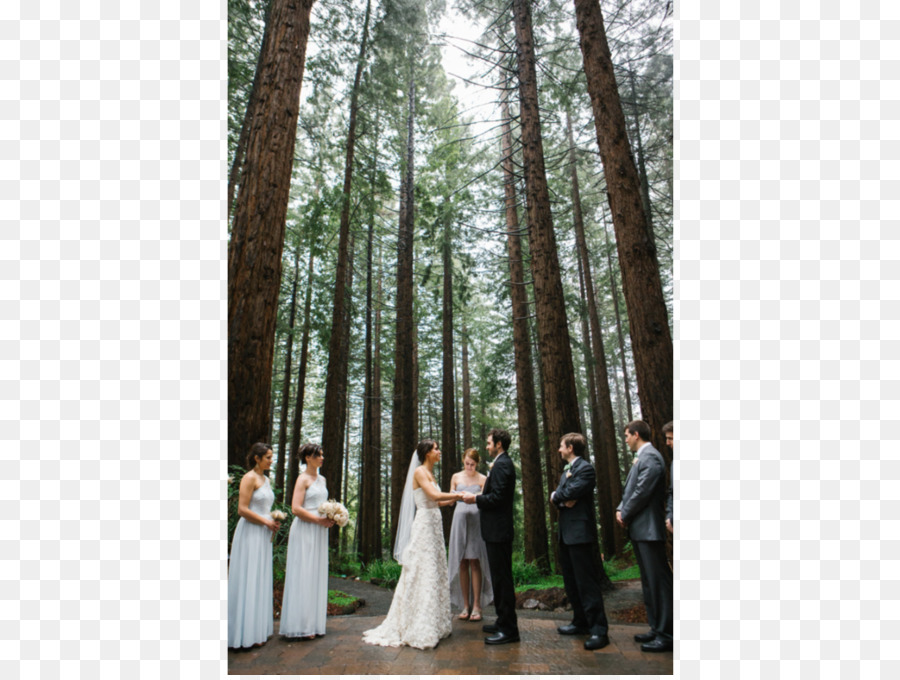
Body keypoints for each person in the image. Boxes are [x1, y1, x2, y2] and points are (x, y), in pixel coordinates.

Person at [362, 439, 464, 649]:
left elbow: (437, 501)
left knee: (435, 572)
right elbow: (434, 495)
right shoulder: (419, 472)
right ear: (427, 453)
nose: (439, 451)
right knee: (422, 572)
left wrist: (455, 500)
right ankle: (418, 625)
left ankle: (435, 624)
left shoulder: (430, 473)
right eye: (436, 448)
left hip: (434, 525)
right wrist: (458, 494)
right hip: (424, 526)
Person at [550, 433, 611, 651]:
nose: (559, 450)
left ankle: (598, 630)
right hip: (566, 533)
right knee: (572, 581)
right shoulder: (567, 471)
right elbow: (562, 498)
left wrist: (560, 495)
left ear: (571, 448)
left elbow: (571, 492)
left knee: (586, 582)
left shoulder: (585, 468)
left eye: (561, 446)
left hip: (580, 533)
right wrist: (562, 497)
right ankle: (580, 622)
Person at [617, 420, 673, 653]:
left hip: (649, 529)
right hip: (641, 529)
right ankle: (656, 628)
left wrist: (625, 512)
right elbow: (632, 490)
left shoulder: (650, 456)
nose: (626, 439)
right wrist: (621, 507)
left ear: (637, 434)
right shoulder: (644, 456)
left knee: (658, 583)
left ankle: (667, 633)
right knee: (649, 583)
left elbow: (642, 490)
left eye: (627, 435)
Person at [461, 428, 519, 645]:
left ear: (498, 444)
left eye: (489, 443)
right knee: (498, 578)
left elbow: (498, 498)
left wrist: (474, 499)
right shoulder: (500, 463)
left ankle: (509, 630)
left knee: (503, 580)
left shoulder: (503, 464)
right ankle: (503, 621)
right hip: (494, 530)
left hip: (499, 531)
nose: (487, 446)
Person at [228, 443, 281, 648]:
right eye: (267, 457)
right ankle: (243, 633)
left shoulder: (266, 479)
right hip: (250, 531)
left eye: (271, 456)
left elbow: (265, 506)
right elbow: (242, 509)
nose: (271, 460)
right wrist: (265, 521)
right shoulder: (249, 478)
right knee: (248, 576)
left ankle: (257, 629)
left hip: (263, 534)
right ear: (257, 458)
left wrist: (272, 520)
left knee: (259, 577)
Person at [280, 443, 335, 639]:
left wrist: (331, 516)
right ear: (308, 458)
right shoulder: (302, 479)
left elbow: (322, 504)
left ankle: (314, 623)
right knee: (304, 571)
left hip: (319, 531)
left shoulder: (323, 479)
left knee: (316, 573)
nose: (322, 457)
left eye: (322, 454)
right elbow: (295, 508)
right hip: (305, 528)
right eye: (318, 455)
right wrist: (318, 520)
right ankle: (301, 624)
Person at [448, 448, 493, 622]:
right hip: (459, 519)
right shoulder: (456, 477)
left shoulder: (483, 479)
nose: (469, 467)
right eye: (467, 464)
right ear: (463, 461)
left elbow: (486, 497)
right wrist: (454, 497)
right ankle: (465, 605)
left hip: (476, 520)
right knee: (462, 561)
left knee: (475, 561)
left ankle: (477, 605)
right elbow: (450, 499)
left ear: (477, 463)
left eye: (472, 464)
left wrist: (474, 496)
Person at [663, 421, 673, 534]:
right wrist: (670, 516)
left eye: (670, 438)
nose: (667, 443)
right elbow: (672, 491)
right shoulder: (674, 464)